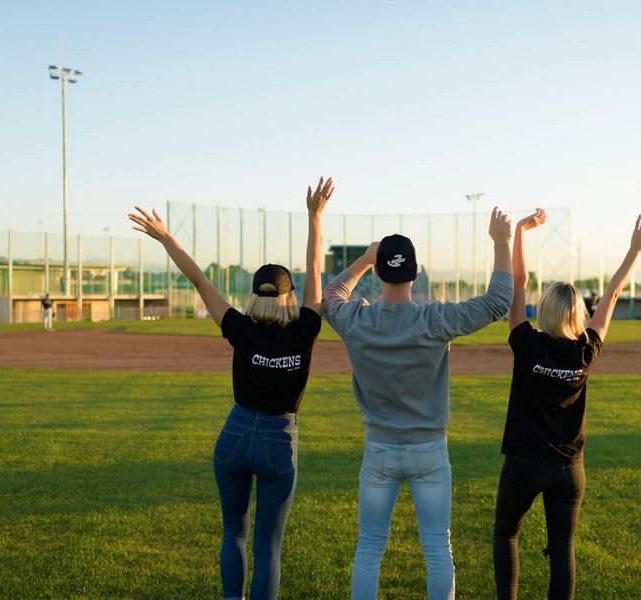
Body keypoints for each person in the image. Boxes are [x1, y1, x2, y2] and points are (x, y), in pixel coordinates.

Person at [128, 177, 333, 600]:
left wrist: (166, 239)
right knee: (268, 547)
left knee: (232, 534)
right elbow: (316, 270)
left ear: (253, 296)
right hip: (279, 443)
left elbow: (200, 280)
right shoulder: (304, 330)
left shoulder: (240, 327)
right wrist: (314, 218)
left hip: (234, 437)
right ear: (289, 296)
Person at [322, 208, 514, 600]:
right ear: (415, 272)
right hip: (428, 450)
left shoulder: (357, 319)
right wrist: (501, 242)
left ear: (378, 273)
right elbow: (499, 302)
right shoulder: (433, 319)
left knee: (370, 548)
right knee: (436, 550)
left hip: (378, 449)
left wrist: (363, 258)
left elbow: (329, 296)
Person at [493, 211, 641, 600]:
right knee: (562, 551)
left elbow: (517, 282)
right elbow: (612, 293)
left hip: (523, 463)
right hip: (568, 468)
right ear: (579, 313)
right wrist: (633, 250)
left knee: (506, 534)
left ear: (544, 310)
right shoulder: (586, 351)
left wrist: (518, 233)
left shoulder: (526, 343)